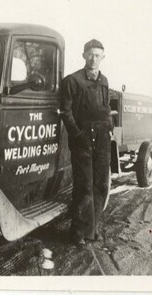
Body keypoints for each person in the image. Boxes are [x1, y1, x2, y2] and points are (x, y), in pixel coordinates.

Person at [60, 39, 112, 245]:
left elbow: (106, 109)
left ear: (103, 57)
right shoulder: (72, 81)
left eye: (98, 55)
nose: (94, 59)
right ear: (83, 56)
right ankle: (78, 233)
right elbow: (66, 111)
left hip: (102, 139)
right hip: (82, 138)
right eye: (90, 54)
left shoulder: (104, 81)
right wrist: (77, 135)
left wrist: (108, 129)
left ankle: (92, 229)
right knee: (84, 187)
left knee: (100, 185)